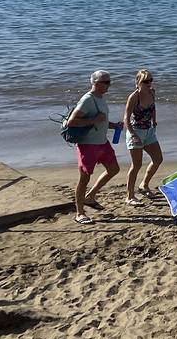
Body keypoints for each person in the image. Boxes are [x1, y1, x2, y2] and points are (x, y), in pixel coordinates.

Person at [65, 70, 122, 224]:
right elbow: (71, 122)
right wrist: (95, 119)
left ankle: (90, 197)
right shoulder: (87, 100)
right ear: (95, 83)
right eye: (106, 82)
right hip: (88, 145)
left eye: (110, 81)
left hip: (102, 142)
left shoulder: (101, 98)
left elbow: (101, 121)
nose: (109, 85)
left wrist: (113, 125)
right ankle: (79, 213)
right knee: (84, 178)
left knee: (114, 169)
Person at [123, 69, 162, 205]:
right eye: (146, 81)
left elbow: (153, 107)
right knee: (136, 165)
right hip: (136, 132)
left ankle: (144, 185)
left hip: (149, 131)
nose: (149, 83)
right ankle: (130, 196)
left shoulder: (152, 92)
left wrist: (154, 120)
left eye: (151, 80)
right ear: (138, 82)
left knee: (158, 159)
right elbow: (126, 118)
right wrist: (133, 135)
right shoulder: (134, 97)